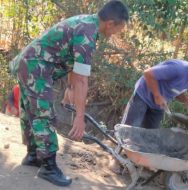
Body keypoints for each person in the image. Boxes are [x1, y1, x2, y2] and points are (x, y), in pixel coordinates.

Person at [9, 0, 129, 186]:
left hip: (30, 63)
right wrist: (79, 117)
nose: (115, 34)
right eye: (118, 30)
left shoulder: (87, 23)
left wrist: (70, 88)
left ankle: (33, 156)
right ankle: (48, 167)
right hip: (36, 67)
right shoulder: (87, 34)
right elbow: (82, 79)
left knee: (31, 111)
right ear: (110, 23)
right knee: (44, 115)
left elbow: (74, 64)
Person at [122, 53, 188, 129]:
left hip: (158, 106)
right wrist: (157, 96)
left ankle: (133, 156)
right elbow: (148, 74)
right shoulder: (178, 68)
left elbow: (174, 89)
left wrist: (185, 100)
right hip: (143, 96)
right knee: (129, 130)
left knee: (150, 134)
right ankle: (118, 152)